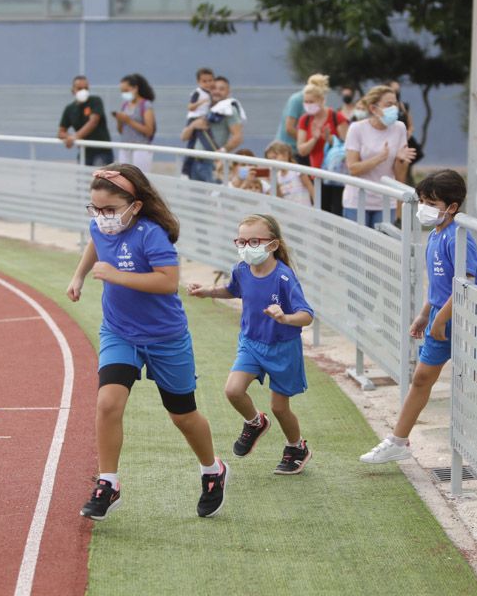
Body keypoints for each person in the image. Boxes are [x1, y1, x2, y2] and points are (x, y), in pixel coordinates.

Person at [67, 164, 228, 519]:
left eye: (109, 210)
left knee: (182, 416)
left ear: (135, 205)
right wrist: (78, 275)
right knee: (108, 403)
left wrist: (115, 275)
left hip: (165, 338)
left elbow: (167, 283)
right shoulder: (100, 224)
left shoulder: (151, 234)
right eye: (95, 209)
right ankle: (108, 482)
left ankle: (212, 469)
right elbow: (96, 240)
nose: (101, 217)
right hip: (119, 332)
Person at [360, 170, 477, 463]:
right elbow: (438, 286)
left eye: (431, 202)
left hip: (468, 322)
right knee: (421, 379)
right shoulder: (435, 235)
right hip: (440, 320)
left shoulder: (459, 238)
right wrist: (426, 314)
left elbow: (464, 284)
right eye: (422, 201)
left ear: (452, 207)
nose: (424, 208)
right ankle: (398, 441)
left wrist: (440, 319)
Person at [187, 214, 315, 474]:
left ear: (273, 245)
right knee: (233, 390)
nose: (247, 247)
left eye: (254, 241)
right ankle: (255, 422)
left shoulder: (284, 277)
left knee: (280, 407)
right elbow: (234, 289)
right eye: (242, 241)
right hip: (251, 343)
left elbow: (307, 314)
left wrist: (285, 317)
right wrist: (208, 291)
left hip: (283, 347)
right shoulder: (241, 269)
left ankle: (296, 447)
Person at [343, 85, 415, 228]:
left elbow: (400, 178)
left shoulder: (400, 128)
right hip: (357, 200)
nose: (394, 108)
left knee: (381, 249)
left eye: (395, 104)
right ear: (373, 109)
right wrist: (379, 158)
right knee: (358, 249)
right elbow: (353, 169)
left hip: (386, 201)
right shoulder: (356, 129)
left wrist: (401, 161)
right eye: (388, 104)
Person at [179, 76, 244, 184]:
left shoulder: (228, 110)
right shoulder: (204, 109)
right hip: (194, 162)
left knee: (212, 199)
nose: (217, 91)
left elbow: (238, 136)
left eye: (221, 89)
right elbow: (183, 137)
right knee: (194, 199)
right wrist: (193, 125)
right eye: (214, 88)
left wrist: (222, 151)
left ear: (228, 92)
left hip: (212, 163)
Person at [296, 74, 349, 172]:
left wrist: (330, 139)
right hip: (315, 173)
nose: (308, 105)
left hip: (335, 173)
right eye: (306, 102)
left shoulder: (337, 118)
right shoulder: (305, 120)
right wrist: (314, 139)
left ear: (321, 100)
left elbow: (347, 147)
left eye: (311, 102)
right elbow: (302, 151)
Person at [58, 75, 112, 167]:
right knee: (82, 179)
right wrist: (68, 138)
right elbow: (61, 132)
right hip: (84, 152)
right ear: (73, 90)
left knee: (100, 179)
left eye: (86, 88)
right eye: (79, 88)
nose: (83, 91)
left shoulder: (95, 101)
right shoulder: (70, 109)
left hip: (101, 151)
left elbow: (93, 122)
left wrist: (76, 136)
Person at [277, 75, 326, 165]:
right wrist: (306, 140)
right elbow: (289, 127)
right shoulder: (297, 100)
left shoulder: (318, 104)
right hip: (291, 149)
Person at [114, 73, 156, 173]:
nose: (124, 93)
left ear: (135, 88)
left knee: (139, 176)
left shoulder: (145, 105)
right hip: (125, 147)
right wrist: (120, 120)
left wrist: (129, 121)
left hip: (140, 148)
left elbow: (149, 130)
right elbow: (121, 130)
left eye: (126, 90)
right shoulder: (125, 105)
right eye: (122, 91)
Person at [181, 67, 215, 178]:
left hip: (203, 119)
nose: (208, 83)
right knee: (192, 145)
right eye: (204, 81)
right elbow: (190, 107)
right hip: (195, 119)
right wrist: (201, 102)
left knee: (200, 143)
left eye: (210, 80)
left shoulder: (212, 93)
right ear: (198, 82)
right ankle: (185, 170)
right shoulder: (197, 92)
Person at [267, 140, 313, 206]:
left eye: (275, 157)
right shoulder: (277, 176)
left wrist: (316, 205)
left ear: (286, 155)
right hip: (290, 213)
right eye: (270, 159)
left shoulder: (296, 170)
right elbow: (280, 197)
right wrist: (274, 183)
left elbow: (309, 186)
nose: (273, 162)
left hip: (304, 210)